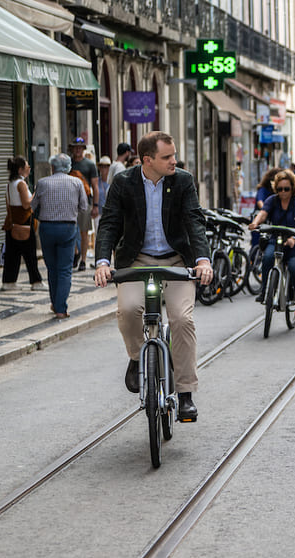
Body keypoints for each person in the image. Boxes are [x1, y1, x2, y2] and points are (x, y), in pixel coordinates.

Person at [93, 131, 213, 421]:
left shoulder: (182, 180)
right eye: (167, 157)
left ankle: (185, 394)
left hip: (176, 259)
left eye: (174, 155)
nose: (175, 161)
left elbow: (194, 220)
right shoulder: (123, 182)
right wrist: (102, 261)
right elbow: (109, 222)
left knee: (182, 319)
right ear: (148, 160)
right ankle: (137, 358)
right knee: (128, 310)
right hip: (136, 259)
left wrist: (202, 259)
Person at [32, 153, 88, 319]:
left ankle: (55, 303)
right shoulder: (77, 182)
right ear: (69, 167)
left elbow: (33, 205)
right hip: (68, 228)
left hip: (47, 228)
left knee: (52, 268)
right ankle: (61, 308)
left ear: (52, 167)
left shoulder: (42, 183)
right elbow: (84, 206)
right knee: (64, 270)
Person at [250, 169, 295, 312]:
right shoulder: (272, 200)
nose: (283, 192)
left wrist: (293, 238)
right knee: (267, 258)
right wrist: (255, 223)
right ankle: (265, 290)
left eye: (286, 189)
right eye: (279, 189)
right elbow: (263, 213)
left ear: (293, 188)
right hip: (277, 237)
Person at [1, 156, 43, 291]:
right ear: (20, 170)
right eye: (27, 167)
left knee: (12, 255)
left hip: (12, 224)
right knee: (30, 255)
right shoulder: (21, 184)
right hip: (25, 223)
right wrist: (36, 194)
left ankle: (8, 282)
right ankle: (36, 282)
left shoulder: (9, 184)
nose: (29, 169)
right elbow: (26, 204)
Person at [68, 137, 99, 272]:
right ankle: (75, 252)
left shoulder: (89, 165)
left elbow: (95, 186)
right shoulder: (68, 163)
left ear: (83, 149)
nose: (78, 150)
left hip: (85, 202)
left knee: (84, 232)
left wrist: (96, 205)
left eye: (80, 148)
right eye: (75, 147)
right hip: (69, 201)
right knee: (71, 230)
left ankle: (84, 260)